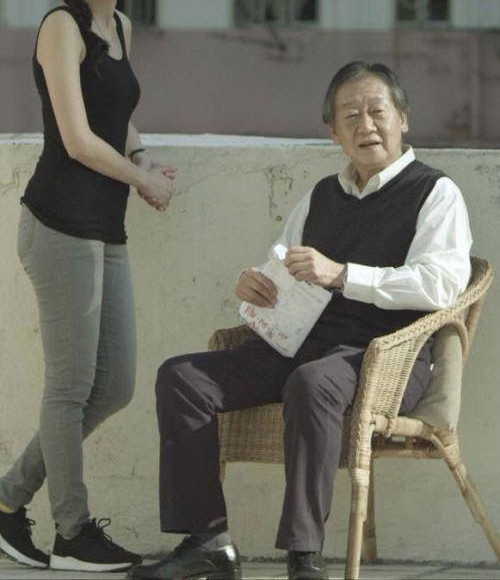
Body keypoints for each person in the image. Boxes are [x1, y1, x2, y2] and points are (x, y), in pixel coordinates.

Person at [128, 61, 472, 580]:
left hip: (386, 357)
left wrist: (344, 275)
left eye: (377, 112)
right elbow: (283, 263)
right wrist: (255, 283)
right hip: (300, 344)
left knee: (312, 383)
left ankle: (304, 556)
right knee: (182, 378)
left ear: (403, 119)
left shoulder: (435, 192)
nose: (365, 125)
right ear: (333, 132)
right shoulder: (321, 195)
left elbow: (441, 285)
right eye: (350, 116)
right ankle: (207, 541)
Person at [0, 0, 176, 573]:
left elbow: (114, 112)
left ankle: (7, 498)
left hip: (105, 227)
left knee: (115, 386)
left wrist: (142, 155)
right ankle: (71, 532)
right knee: (71, 387)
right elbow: (76, 138)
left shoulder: (119, 25)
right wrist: (144, 183)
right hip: (58, 224)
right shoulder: (61, 27)